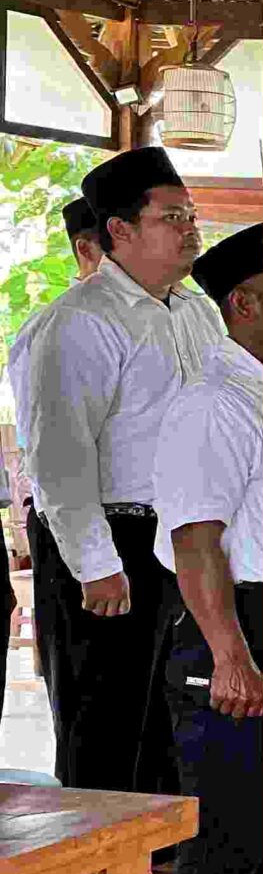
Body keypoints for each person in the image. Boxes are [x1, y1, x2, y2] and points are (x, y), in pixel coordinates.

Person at [22, 149, 222, 844]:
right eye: (171, 218)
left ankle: (156, 858)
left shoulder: (195, 312)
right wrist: (94, 562)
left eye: (191, 216)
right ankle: (95, 869)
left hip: (182, 535)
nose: (190, 229)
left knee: (170, 707)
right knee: (103, 713)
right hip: (112, 538)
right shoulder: (81, 319)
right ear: (119, 232)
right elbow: (60, 452)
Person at [153, 226, 263, 874]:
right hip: (228, 616)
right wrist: (230, 652)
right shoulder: (212, 402)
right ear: (247, 303)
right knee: (226, 805)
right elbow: (196, 540)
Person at [7, 197, 105, 682]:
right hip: (79, 527)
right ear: (88, 249)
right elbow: (57, 462)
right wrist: (94, 561)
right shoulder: (56, 328)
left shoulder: (177, 317)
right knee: (88, 699)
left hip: (151, 534)